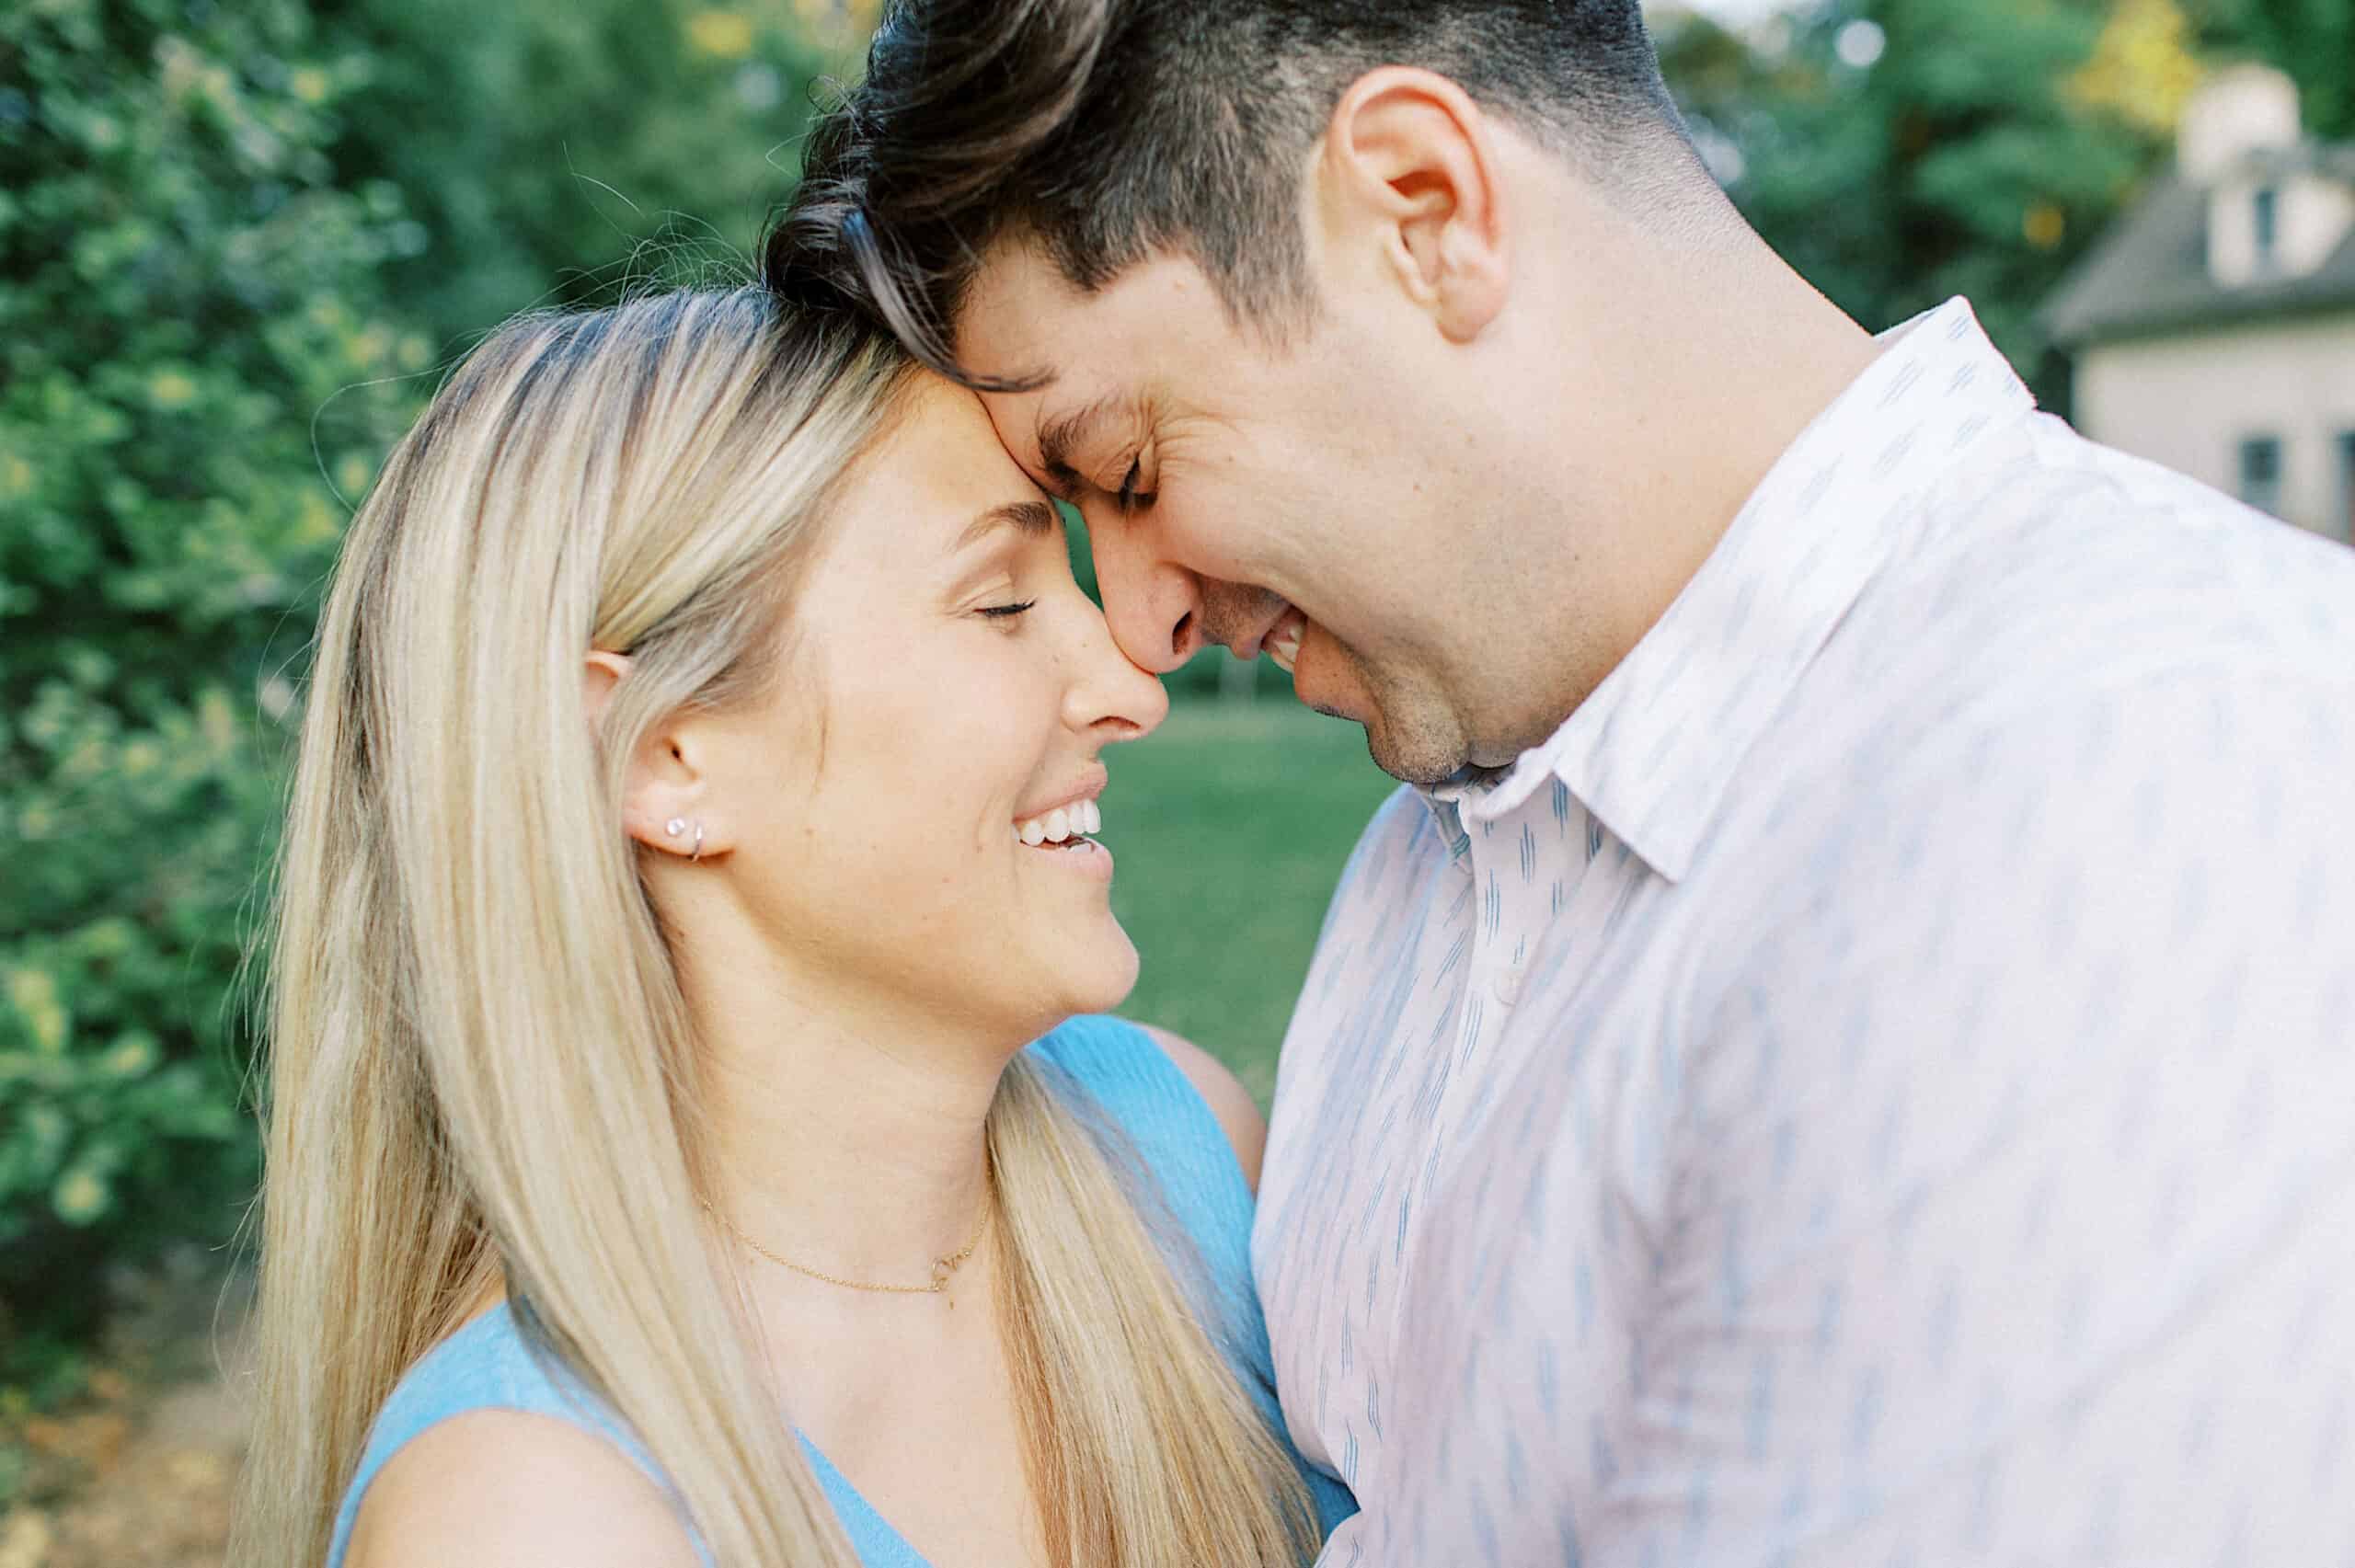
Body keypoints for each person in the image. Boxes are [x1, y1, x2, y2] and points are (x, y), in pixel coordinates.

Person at [769, 1, 2355, 1561]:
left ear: (1424, 211)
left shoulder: (2111, 796)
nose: (1144, 627)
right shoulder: (1441, 846)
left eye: (1127, 470)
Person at [229, 285, 1354, 1568]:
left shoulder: (1185, 1146)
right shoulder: (539, 1518)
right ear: (666, 755)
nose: (1126, 688)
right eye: (999, 602)